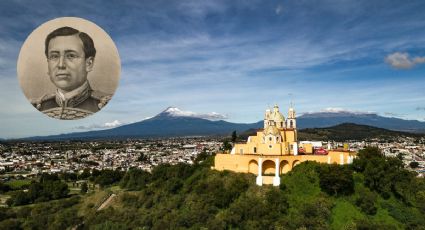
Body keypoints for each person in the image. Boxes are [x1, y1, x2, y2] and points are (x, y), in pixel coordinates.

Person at [31, 26, 111, 120]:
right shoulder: (37, 106)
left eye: (71, 56)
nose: (61, 65)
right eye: (54, 56)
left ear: (88, 64)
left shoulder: (105, 105)